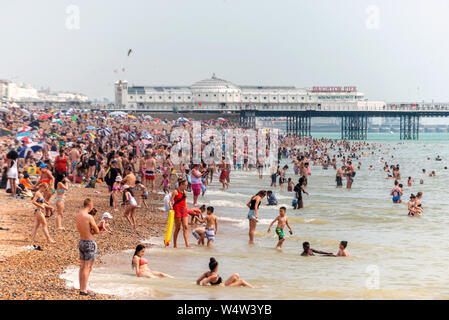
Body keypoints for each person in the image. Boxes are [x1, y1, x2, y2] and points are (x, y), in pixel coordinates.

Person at [75, 198, 99, 297]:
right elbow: (96, 230)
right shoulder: (88, 216)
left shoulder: (78, 215)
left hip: (81, 242)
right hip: (89, 242)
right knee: (87, 267)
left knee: (82, 266)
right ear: (90, 206)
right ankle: (83, 290)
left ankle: (82, 287)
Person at [196, 257, 261, 288]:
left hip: (224, 284)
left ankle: (239, 286)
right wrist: (212, 288)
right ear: (216, 267)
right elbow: (204, 283)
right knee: (241, 281)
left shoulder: (207, 273)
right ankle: (254, 287)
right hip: (224, 287)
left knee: (236, 275)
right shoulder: (214, 276)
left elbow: (198, 281)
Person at [170, 178, 190, 248]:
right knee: (178, 228)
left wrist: (186, 210)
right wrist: (171, 207)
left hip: (184, 210)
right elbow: (170, 201)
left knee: (186, 226)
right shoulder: (175, 192)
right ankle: (175, 244)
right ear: (181, 185)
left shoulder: (185, 192)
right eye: (185, 185)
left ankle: (187, 244)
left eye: (187, 186)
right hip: (177, 210)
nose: (186, 187)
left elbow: (184, 202)